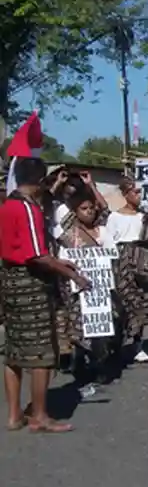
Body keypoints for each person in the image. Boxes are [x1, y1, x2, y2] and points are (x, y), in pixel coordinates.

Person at [1, 157, 89, 433]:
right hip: (30, 283)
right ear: (39, 182)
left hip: (10, 279)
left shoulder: (7, 205)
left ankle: (15, 415)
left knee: (14, 349)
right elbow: (36, 255)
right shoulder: (28, 209)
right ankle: (39, 415)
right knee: (43, 353)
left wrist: (61, 263)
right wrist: (73, 275)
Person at [54, 189, 117, 384]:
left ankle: (100, 364)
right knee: (80, 329)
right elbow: (63, 260)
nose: (89, 212)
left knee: (101, 329)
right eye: (84, 208)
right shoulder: (69, 237)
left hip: (101, 289)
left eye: (91, 208)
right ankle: (80, 362)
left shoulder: (103, 231)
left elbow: (113, 254)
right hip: (79, 289)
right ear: (75, 212)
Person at [108, 178, 148, 365]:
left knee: (141, 300)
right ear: (126, 194)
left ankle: (138, 344)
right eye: (135, 192)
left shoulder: (145, 216)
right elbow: (110, 242)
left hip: (141, 259)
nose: (139, 196)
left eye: (141, 192)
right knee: (124, 302)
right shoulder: (115, 217)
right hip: (123, 261)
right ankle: (117, 344)